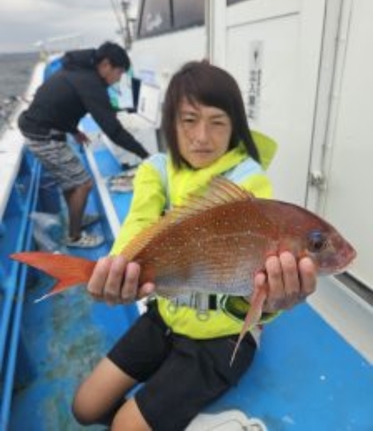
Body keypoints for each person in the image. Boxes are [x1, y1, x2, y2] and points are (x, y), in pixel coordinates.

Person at [72, 61, 317, 429]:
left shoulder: (248, 178)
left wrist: (270, 306)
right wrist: (119, 268)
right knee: (84, 407)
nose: (202, 136)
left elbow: (261, 281)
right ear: (170, 122)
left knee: (125, 425)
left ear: (234, 126)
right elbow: (139, 221)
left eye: (217, 122)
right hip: (166, 317)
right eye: (189, 120)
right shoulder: (155, 168)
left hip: (224, 336)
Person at [18, 41, 149, 248]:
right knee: (83, 184)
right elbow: (112, 130)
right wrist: (145, 155)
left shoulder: (79, 70)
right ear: (106, 65)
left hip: (41, 129)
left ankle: (75, 219)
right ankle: (74, 236)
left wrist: (74, 130)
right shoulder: (90, 82)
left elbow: (59, 103)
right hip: (44, 136)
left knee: (70, 180)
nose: (118, 79)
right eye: (119, 72)